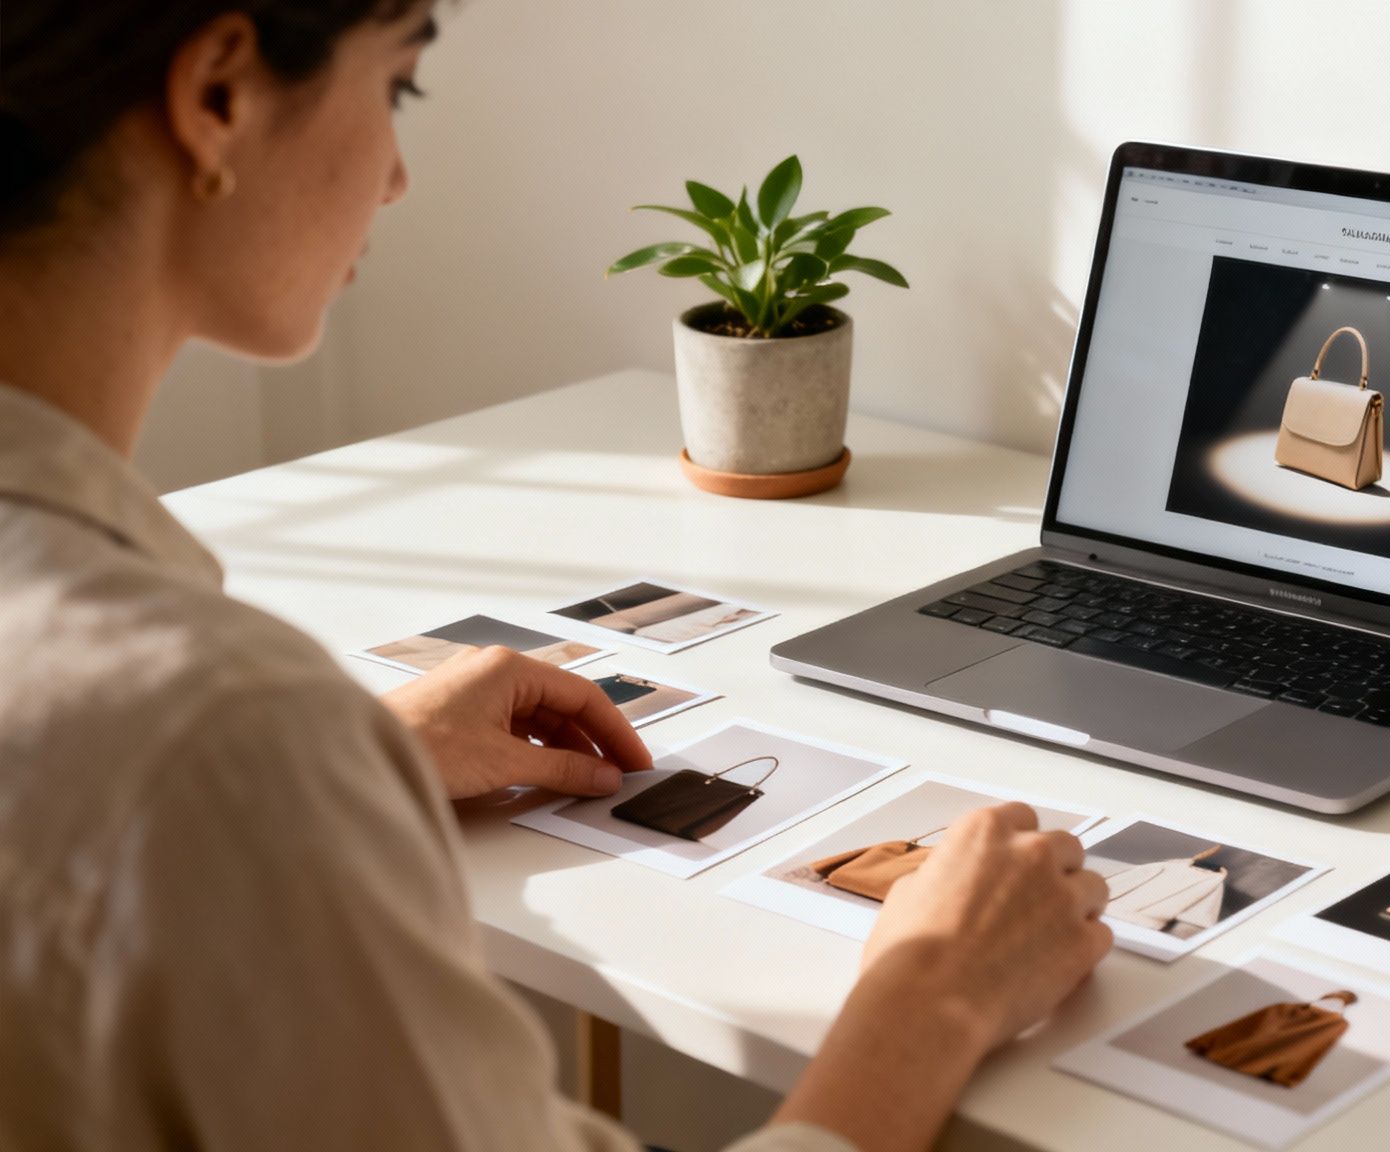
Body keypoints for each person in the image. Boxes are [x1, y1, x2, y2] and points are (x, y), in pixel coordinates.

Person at [0, 4, 1113, 1151]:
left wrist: (348, 764)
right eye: (399, 87)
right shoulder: (217, 734)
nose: (393, 178)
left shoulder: (193, 730)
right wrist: (935, 993)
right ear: (218, 96)